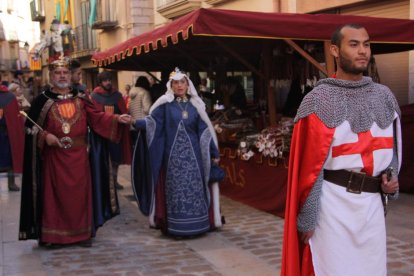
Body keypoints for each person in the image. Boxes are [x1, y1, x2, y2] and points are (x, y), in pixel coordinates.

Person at [281, 24, 401, 276]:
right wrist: (309, 215)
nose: (362, 51)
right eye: (354, 44)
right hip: (332, 209)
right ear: (335, 50)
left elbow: (392, 149)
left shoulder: (385, 96)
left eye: (366, 44)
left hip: (371, 209)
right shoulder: (318, 100)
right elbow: (310, 166)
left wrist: (391, 177)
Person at [18, 58, 132, 247]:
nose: (62, 76)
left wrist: (117, 118)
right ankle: (55, 237)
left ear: (70, 76)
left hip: (79, 158)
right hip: (54, 159)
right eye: (58, 73)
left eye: (65, 72)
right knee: (54, 198)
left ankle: (82, 235)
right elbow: (30, 128)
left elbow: (97, 117)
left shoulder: (81, 97)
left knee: (80, 196)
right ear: (51, 76)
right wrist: (45, 136)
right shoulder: (42, 100)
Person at [131, 68, 223, 237]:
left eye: (182, 82)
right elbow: (152, 123)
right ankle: (178, 228)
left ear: (188, 85)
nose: (179, 86)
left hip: (195, 159)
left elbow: (204, 131)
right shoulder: (165, 106)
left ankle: (198, 226)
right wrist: (135, 122)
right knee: (176, 192)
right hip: (172, 160)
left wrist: (213, 151)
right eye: (176, 83)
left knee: (195, 190)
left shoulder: (196, 106)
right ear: (171, 86)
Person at [91, 71, 131, 190]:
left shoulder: (117, 95)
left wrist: (120, 117)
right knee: (102, 158)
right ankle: (104, 181)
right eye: (105, 80)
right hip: (101, 133)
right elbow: (94, 115)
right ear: (100, 82)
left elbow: (123, 111)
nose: (108, 82)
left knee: (116, 159)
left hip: (116, 132)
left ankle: (114, 180)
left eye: (109, 80)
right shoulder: (94, 96)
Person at [0, 79, 24, 192]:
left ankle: (11, 183)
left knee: (10, 158)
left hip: (5, 133)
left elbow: (15, 117)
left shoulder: (9, 96)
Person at [129, 76, 152, 144]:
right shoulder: (145, 93)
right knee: (143, 150)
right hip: (142, 124)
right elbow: (147, 109)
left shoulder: (131, 94)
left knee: (136, 149)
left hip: (132, 125)